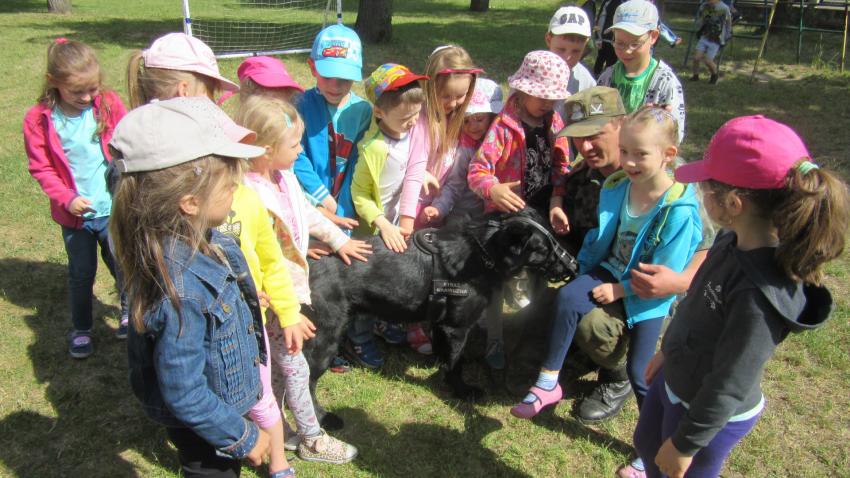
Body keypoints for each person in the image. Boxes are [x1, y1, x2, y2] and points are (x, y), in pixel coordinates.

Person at [633, 115, 849, 478]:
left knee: (670, 468)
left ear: (734, 203)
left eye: (704, 186)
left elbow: (730, 383)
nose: (699, 192)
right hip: (678, 377)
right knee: (646, 443)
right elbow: (696, 303)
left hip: (704, 415)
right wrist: (669, 349)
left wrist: (686, 444)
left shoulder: (758, 296)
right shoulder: (730, 239)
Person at [111, 98, 274, 477]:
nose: (237, 191)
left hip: (220, 409)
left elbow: (213, 310)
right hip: (209, 426)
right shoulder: (180, 290)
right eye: (230, 186)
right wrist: (243, 436)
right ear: (189, 202)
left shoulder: (203, 240)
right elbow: (185, 392)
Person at [511, 105, 702, 420]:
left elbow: (661, 276)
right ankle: (547, 382)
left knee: (640, 372)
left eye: (640, 154)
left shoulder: (678, 210)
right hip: (612, 268)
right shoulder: (619, 186)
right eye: (625, 152)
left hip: (648, 292)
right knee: (568, 297)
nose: (629, 162)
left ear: (668, 154)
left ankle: (654, 435)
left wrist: (620, 290)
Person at [231, 95, 361, 465]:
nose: (300, 150)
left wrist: (338, 239)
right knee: (296, 366)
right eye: (294, 145)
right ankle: (311, 438)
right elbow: (255, 257)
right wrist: (281, 306)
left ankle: (275, 426)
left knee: (277, 367)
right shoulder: (248, 195)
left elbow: (306, 213)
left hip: (290, 295)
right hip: (273, 301)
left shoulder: (284, 178)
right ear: (266, 150)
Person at [23, 38, 128, 358]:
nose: (86, 97)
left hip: (112, 208)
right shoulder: (39, 119)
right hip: (76, 217)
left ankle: (129, 312)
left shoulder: (107, 103)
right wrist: (66, 198)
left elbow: (127, 140)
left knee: (123, 264)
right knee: (81, 273)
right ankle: (82, 328)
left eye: (92, 89)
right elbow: (41, 168)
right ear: (53, 82)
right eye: (77, 92)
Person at [347, 64, 432, 366]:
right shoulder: (373, 148)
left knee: (389, 278)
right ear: (379, 113)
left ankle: (382, 323)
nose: (413, 123)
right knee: (368, 284)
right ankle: (358, 337)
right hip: (373, 230)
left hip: (395, 224)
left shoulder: (412, 132)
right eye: (405, 118)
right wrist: (382, 224)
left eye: (416, 115)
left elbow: (412, 167)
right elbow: (359, 194)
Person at [292, 23, 372, 226]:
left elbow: (357, 160)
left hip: (344, 202)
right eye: (327, 76)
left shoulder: (362, 111)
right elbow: (294, 154)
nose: (335, 86)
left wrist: (344, 208)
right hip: (307, 202)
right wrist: (322, 196)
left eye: (345, 78)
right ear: (312, 67)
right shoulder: (299, 105)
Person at [597, 0, 686, 144]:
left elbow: (675, 134)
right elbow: (596, 120)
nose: (627, 51)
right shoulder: (607, 77)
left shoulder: (665, 81)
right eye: (619, 43)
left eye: (635, 44)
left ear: (653, 36)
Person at [419, 78, 503, 224]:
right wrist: (439, 208)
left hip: (495, 210)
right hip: (464, 215)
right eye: (465, 120)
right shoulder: (465, 149)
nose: (472, 127)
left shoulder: (500, 139)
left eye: (479, 119)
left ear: (492, 116)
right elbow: (453, 185)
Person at [416, 44, 482, 226]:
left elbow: (454, 182)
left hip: (434, 212)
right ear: (430, 86)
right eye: (445, 96)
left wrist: (439, 208)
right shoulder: (416, 120)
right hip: (404, 207)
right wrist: (418, 173)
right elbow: (396, 160)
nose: (453, 104)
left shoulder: (461, 127)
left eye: (460, 96)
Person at [127, 32, 239, 109]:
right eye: (210, 93)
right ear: (184, 91)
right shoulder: (193, 134)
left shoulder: (137, 127)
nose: (214, 103)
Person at [546, 5, 597, 100]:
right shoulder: (532, 71)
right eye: (561, 49)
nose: (567, 57)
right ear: (549, 40)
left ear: (585, 46)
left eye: (576, 51)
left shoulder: (586, 81)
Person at [691, 0, 733, 84]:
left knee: (708, 61)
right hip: (705, 36)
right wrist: (699, 26)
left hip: (716, 39)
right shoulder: (704, 6)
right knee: (696, 58)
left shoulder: (724, 8)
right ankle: (695, 76)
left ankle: (714, 75)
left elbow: (728, 23)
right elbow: (701, 18)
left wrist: (727, 36)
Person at [235, 55, 305, 104]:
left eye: (284, 88)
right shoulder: (245, 119)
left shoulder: (289, 117)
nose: (278, 96)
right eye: (265, 89)